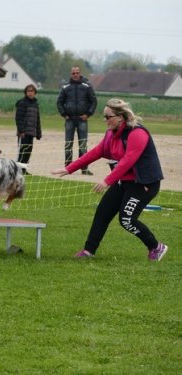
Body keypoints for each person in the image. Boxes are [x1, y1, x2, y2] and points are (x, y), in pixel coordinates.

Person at [51, 98, 168, 261]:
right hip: (125, 182)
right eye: (104, 117)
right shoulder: (111, 135)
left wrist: (107, 181)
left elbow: (128, 161)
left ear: (120, 117)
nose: (105, 120)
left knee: (126, 219)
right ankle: (88, 251)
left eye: (108, 117)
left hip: (144, 184)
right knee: (102, 213)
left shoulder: (137, 133)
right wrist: (69, 168)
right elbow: (96, 152)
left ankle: (156, 247)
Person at [57, 66, 97, 175]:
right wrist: (64, 114)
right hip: (69, 119)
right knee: (68, 144)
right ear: (71, 74)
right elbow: (59, 102)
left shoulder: (87, 86)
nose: (75, 74)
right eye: (73, 73)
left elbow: (93, 101)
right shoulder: (66, 87)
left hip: (82, 119)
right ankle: (68, 167)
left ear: (80, 73)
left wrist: (88, 114)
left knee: (83, 144)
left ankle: (84, 168)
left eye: (77, 73)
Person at [15, 84, 42, 175]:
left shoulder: (35, 104)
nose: (30, 93)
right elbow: (18, 118)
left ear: (35, 93)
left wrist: (38, 133)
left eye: (32, 91)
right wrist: (21, 131)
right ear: (26, 92)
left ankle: (24, 169)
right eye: (28, 91)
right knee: (22, 151)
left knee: (28, 151)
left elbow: (37, 119)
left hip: (31, 132)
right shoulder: (22, 103)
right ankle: (18, 170)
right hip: (24, 133)